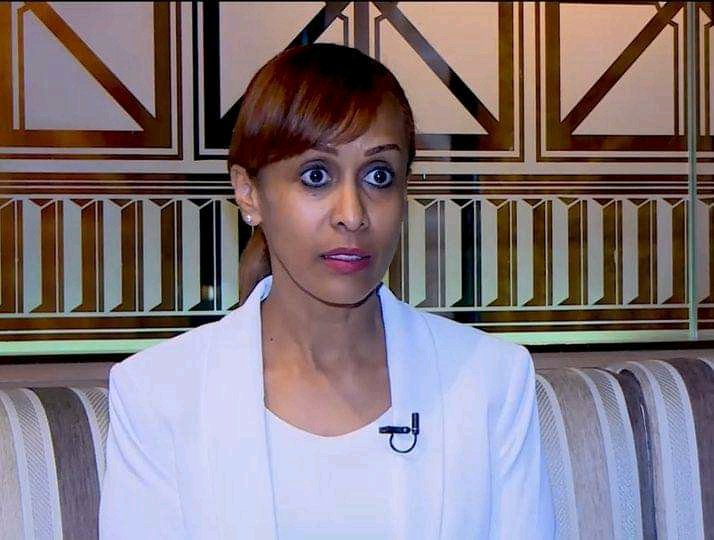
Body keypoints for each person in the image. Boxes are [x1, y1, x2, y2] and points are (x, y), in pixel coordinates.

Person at [99, 43, 555, 539]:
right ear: (248, 192)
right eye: (315, 175)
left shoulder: (491, 380)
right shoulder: (157, 394)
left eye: (379, 176)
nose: (353, 215)